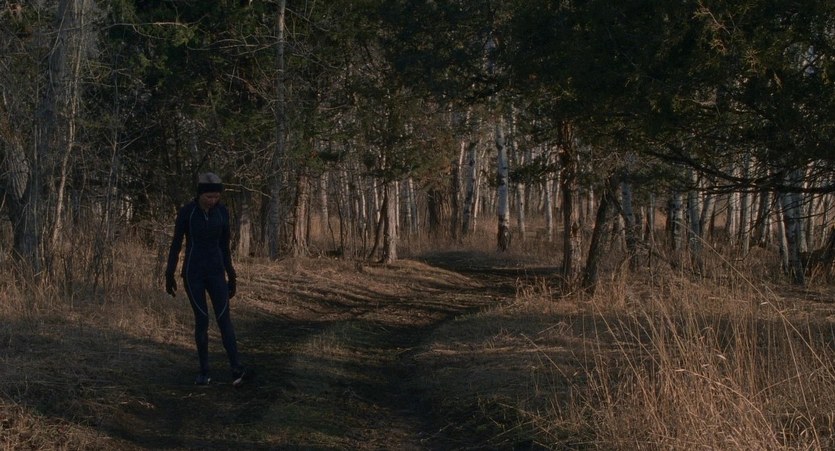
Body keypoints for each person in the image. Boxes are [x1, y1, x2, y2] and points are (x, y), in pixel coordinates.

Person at [165, 172, 249, 387]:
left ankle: (236, 367)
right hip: (193, 273)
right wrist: (169, 273)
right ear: (200, 194)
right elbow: (176, 244)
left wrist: (231, 274)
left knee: (224, 318)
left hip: (216, 272)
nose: (213, 201)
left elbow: (225, 246)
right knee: (202, 319)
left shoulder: (222, 212)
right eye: (209, 197)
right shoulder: (187, 212)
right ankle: (204, 371)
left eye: (216, 197)